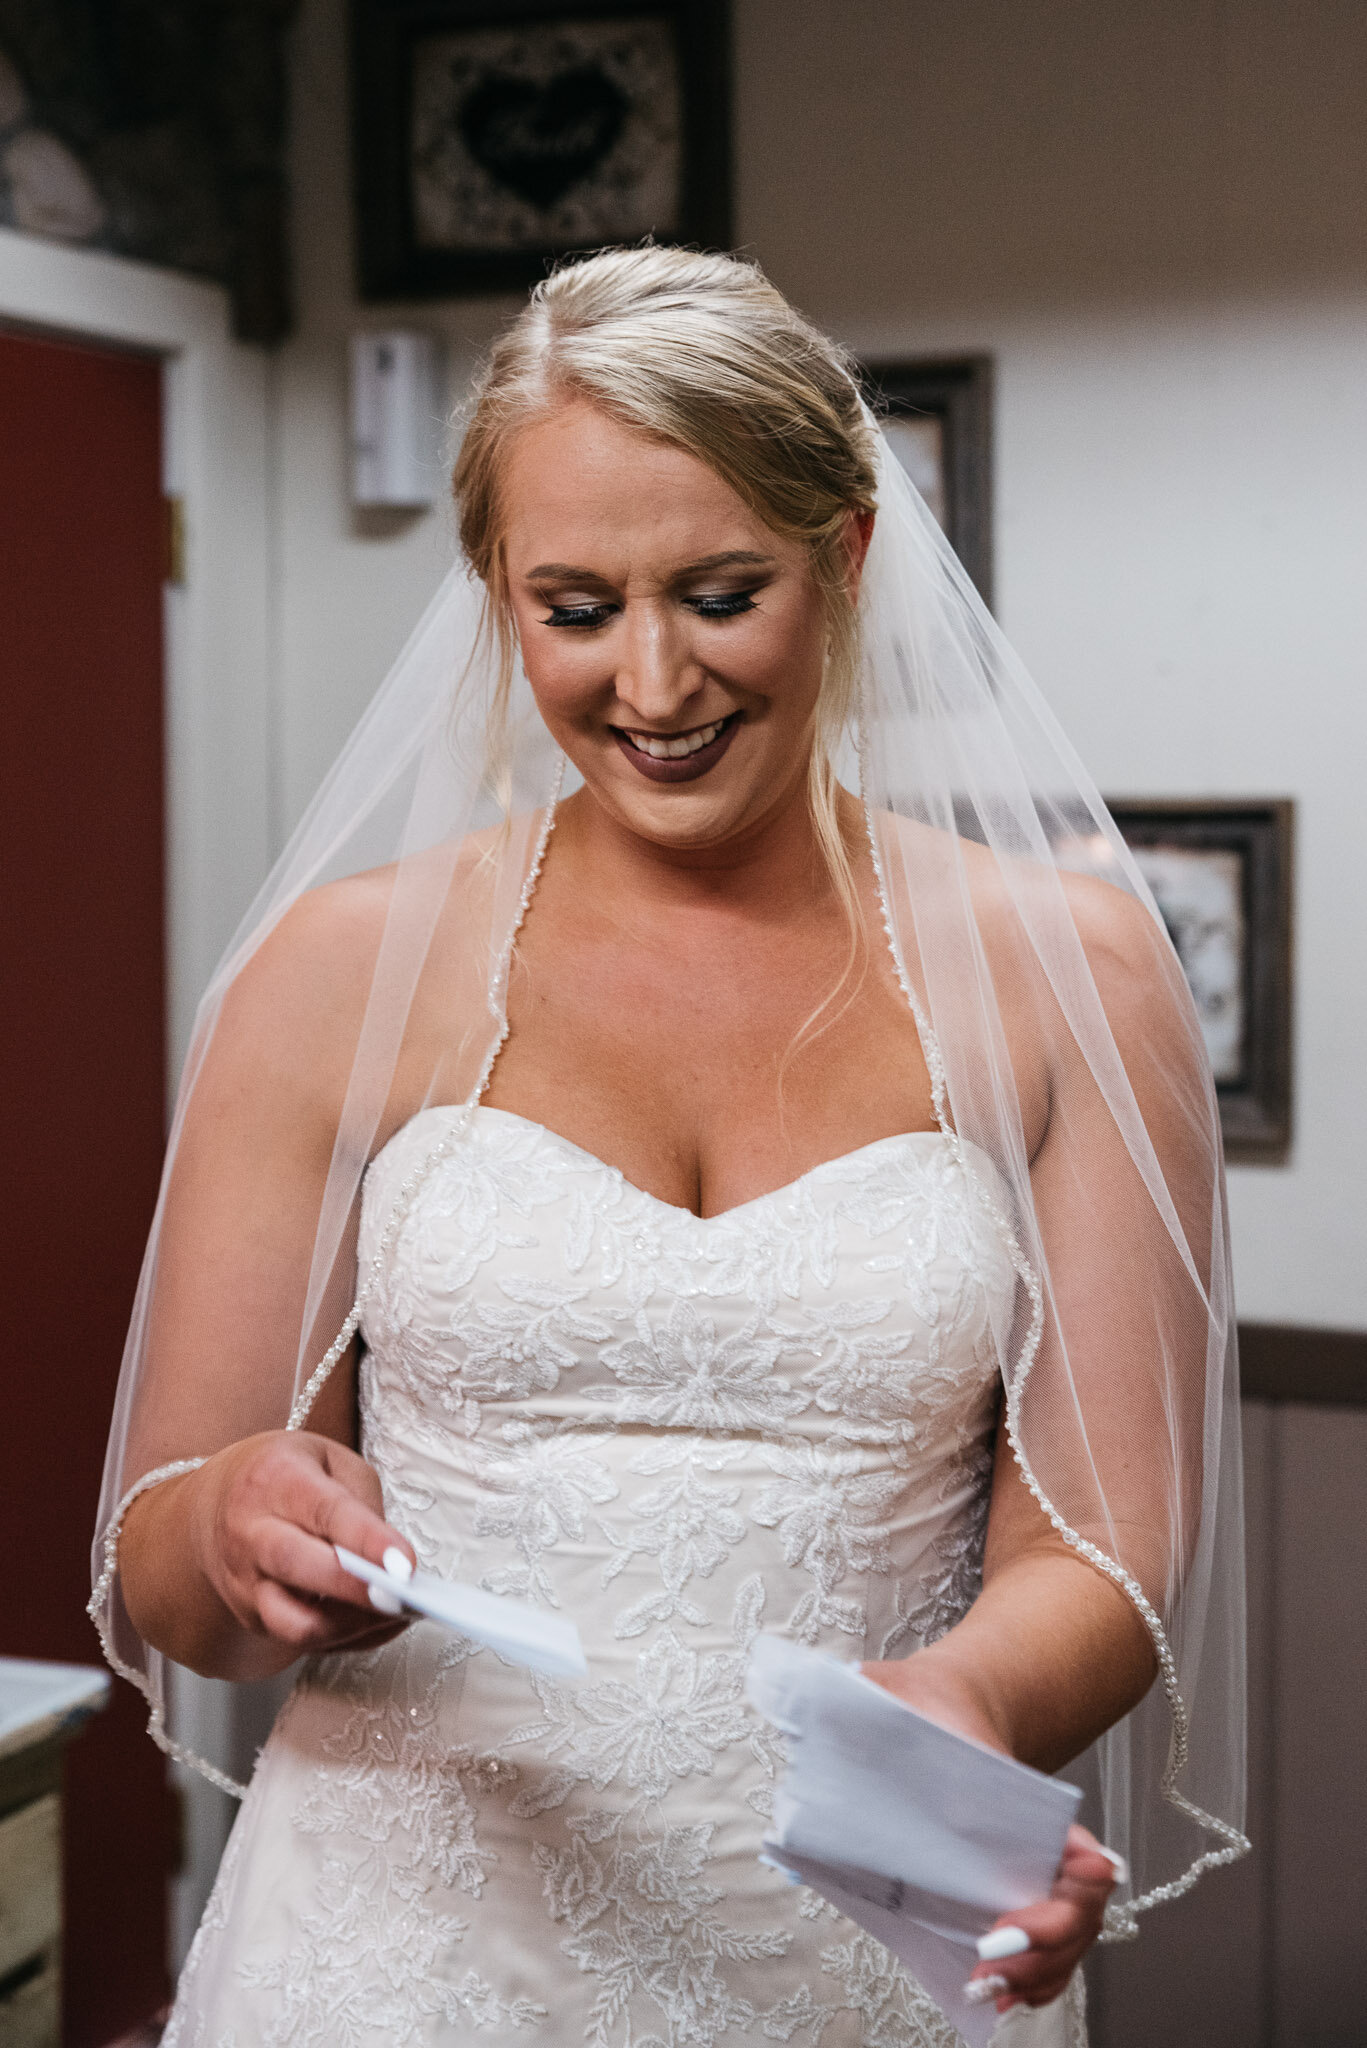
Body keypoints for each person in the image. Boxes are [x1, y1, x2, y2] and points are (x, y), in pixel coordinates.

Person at [92, 246, 1247, 2047]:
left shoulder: (1069, 976)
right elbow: (165, 1548)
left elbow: (1103, 1544)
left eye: (721, 594)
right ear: (495, 596)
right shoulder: (331, 978)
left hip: (858, 1938)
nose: (653, 683)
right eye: (573, 608)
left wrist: (969, 1699)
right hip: (403, 1947)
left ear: (844, 557)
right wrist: (238, 1526)